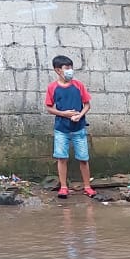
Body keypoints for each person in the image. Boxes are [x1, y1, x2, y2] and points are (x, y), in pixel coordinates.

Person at [45, 54, 94, 199]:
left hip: (79, 128)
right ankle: (64, 187)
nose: (70, 71)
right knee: (61, 158)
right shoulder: (52, 88)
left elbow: (87, 105)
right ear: (58, 70)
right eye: (67, 68)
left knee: (84, 159)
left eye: (71, 68)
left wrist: (80, 115)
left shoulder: (78, 85)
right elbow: (49, 108)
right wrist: (64, 113)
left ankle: (87, 187)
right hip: (61, 129)